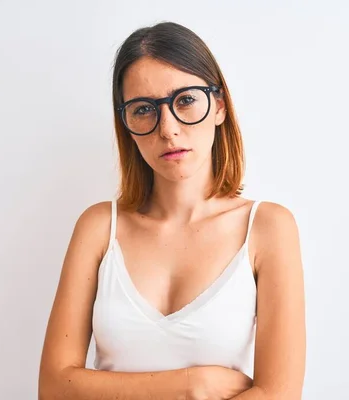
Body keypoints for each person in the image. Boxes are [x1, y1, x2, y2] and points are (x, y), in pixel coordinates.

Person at [38, 21, 306, 400]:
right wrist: (191, 385)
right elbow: (53, 388)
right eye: (144, 109)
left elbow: (279, 395)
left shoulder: (267, 228)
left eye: (185, 100)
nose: (168, 129)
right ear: (127, 125)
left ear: (219, 106)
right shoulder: (99, 227)